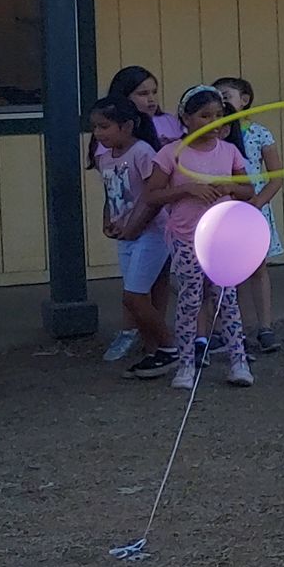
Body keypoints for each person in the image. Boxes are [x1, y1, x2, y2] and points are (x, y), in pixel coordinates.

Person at [143, 85, 256, 389]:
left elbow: (248, 190)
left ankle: (239, 362)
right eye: (205, 116)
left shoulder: (229, 151)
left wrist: (230, 186)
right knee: (190, 300)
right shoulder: (171, 153)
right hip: (186, 237)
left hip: (222, 237)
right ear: (186, 118)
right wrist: (186, 189)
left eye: (219, 116)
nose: (214, 122)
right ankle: (186, 365)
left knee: (226, 299)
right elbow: (151, 195)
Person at [87, 94, 179, 380]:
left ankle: (170, 347)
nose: (98, 133)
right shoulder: (104, 157)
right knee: (136, 297)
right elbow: (111, 194)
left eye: (104, 126)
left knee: (134, 296)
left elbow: (154, 197)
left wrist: (135, 227)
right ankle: (153, 352)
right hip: (126, 236)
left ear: (127, 126)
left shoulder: (142, 152)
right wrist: (108, 221)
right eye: (95, 127)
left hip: (151, 233)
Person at [214, 76, 283, 354]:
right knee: (227, 273)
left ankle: (265, 327)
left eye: (227, 95)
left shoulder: (259, 133)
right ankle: (231, 329)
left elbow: (276, 177)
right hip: (221, 211)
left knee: (258, 268)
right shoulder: (212, 135)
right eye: (216, 96)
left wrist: (257, 203)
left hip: (253, 210)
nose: (222, 101)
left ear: (244, 100)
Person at [105, 66, 185, 144]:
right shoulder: (112, 127)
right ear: (124, 97)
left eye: (154, 92)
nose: (151, 99)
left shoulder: (169, 121)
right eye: (143, 94)